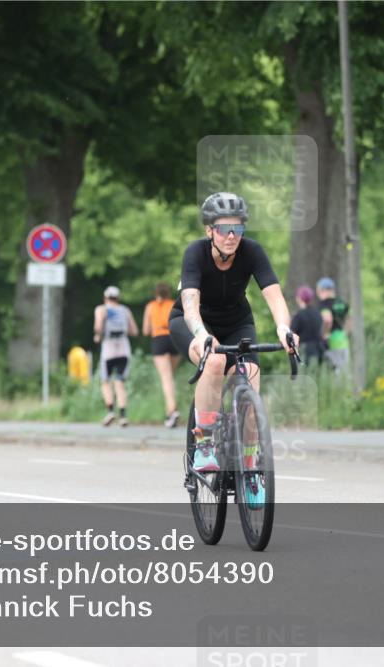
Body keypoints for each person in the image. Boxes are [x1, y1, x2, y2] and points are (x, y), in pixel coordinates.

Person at [168, 192, 297, 508]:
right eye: (224, 229)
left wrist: (283, 327)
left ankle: (251, 468)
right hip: (193, 322)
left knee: (251, 374)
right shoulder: (195, 253)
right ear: (209, 230)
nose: (231, 236)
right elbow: (190, 305)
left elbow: (274, 296)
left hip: (237, 321)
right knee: (213, 363)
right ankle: (205, 442)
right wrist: (200, 334)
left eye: (237, 229)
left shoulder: (252, 252)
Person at [94, 286, 138, 427]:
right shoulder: (125, 310)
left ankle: (110, 411)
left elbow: (98, 327)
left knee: (105, 381)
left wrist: (97, 335)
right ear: (118, 298)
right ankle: (123, 416)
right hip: (124, 349)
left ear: (105, 297)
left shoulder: (101, 309)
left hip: (108, 349)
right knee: (120, 382)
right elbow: (134, 331)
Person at [142, 283, 181, 428]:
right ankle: (169, 414)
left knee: (166, 378)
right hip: (173, 339)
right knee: (171, 376)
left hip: (159, 339)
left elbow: (146, 330)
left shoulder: (150, 306)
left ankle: (172, 410)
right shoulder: (173, 304)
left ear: (155, 292)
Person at [317, 277, 350, 373]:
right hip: (343, 338)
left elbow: (327, 319)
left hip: (331, 340)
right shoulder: (341, 302)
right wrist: (345, 332)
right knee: (345, 370)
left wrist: (325, 334)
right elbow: (350, 318)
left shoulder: (324, 304)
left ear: (322, 290)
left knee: (335, 371)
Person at [291, 285, 323, 366]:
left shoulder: (298, 315)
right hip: (318, 348)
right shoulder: (317, 313)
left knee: (305, 374)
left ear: (299, 298)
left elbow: (292, 332)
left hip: (304, 349)